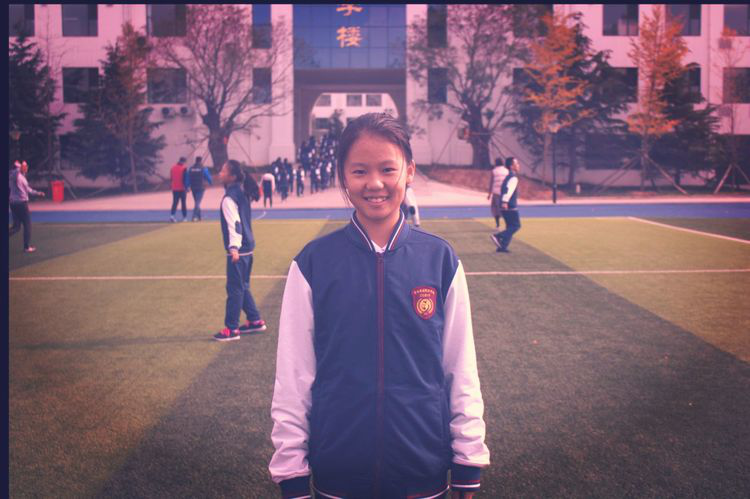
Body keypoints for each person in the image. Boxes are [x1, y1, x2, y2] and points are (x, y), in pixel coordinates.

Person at [269, 113, 490, 498]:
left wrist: (468, 459)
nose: (374, 183)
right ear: (343, 177)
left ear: (409, 171)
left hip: (422, 468)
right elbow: (294, 376)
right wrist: (291, 470)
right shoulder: (313, 264)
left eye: (388, 169)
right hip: (338, 471)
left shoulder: (439, 260)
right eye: (359, 171)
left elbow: (460, 368)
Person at [213, 159, 267, 341]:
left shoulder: (229, 198)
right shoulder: (242, 192)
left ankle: (231, 329)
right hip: (248, 248)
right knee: (243, 286)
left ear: (232, 176)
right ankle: (255, 320)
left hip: (239, 250)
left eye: (223, 171)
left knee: (235, 288)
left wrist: (234, 248)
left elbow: (235, 224)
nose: (220, 173)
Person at [9, 160, 45, 253]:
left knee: (16, 227)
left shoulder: (21, 176)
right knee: (27, 224)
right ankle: (27, 247)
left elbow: (28, 189)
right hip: (20, 204)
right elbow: (15, 172)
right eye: (22, 167)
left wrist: (38, 193)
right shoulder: (14, 175)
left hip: (14, 204)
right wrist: (20, 166)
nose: (25, 168)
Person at [490, 157, 521, 253]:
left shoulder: (508, 177)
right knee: (516, 225)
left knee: (509, 226)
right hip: (509, 205)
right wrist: (505, 202)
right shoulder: (513, 177)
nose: (518, 165)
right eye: (516, 163)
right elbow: (508, 190)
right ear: (511, 166)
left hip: (504, 204)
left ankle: (502, 247)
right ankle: (498, 236)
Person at [186, 156, 212, 222]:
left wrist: (187, 186)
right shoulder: (203, 168)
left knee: (196, 202)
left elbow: (188, 178)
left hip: (193, 187)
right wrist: (210, 182)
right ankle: (194, 216)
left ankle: (199, 217)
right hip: (201, 187)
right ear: (201, 161)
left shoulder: (191, 168)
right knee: (197, 202)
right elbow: (208, 176)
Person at [487, 157, 509, 229]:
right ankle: (507, 223)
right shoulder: (506, 171)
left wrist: (489, 194)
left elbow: (491, 182)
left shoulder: (494, 171)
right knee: (504, 209)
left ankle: (498, 225)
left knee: (495, 209)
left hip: (496, 192)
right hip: (505, 192)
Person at [169, 157, 189, 222]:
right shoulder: (184, 168)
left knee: (175, 202)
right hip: (182, 188)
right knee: (183, 203)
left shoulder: (173, 168)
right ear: (184, 161)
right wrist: (187, 187)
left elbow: (171, 178)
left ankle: (172, 215)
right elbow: (185, 179)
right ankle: (184, 217)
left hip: (174, 188)